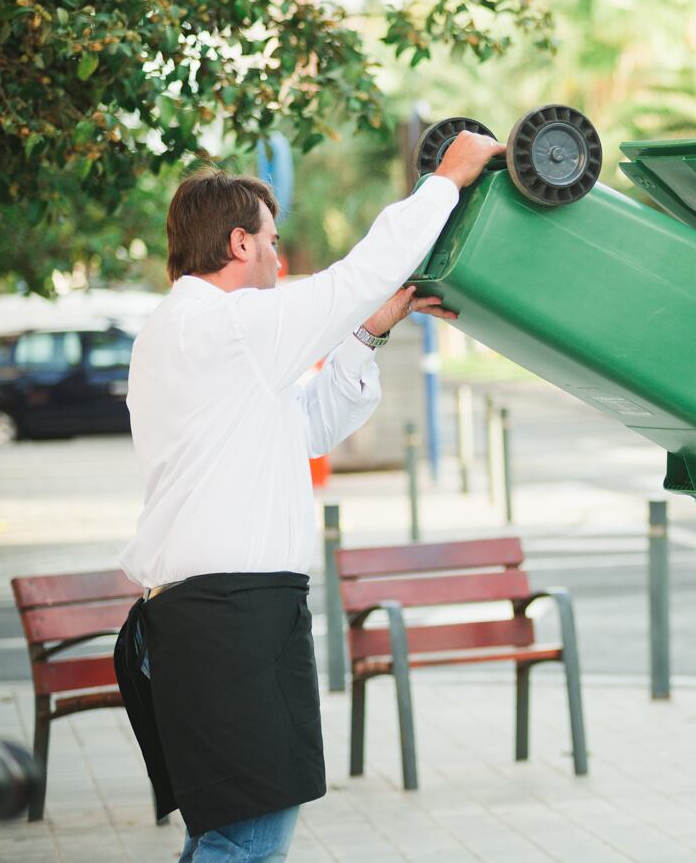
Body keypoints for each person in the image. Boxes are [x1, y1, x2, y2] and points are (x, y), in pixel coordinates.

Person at [113, 131, 504, 861]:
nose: (279, 258)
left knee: (231, 831)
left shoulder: (193, 337)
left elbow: (309, 426)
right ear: (238, 244)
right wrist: (446, 181)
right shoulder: (224, 328)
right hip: (227, 618)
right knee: (247, 839)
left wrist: (365, 334)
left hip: (221, 616)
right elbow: (362, 271)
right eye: (270, 240)